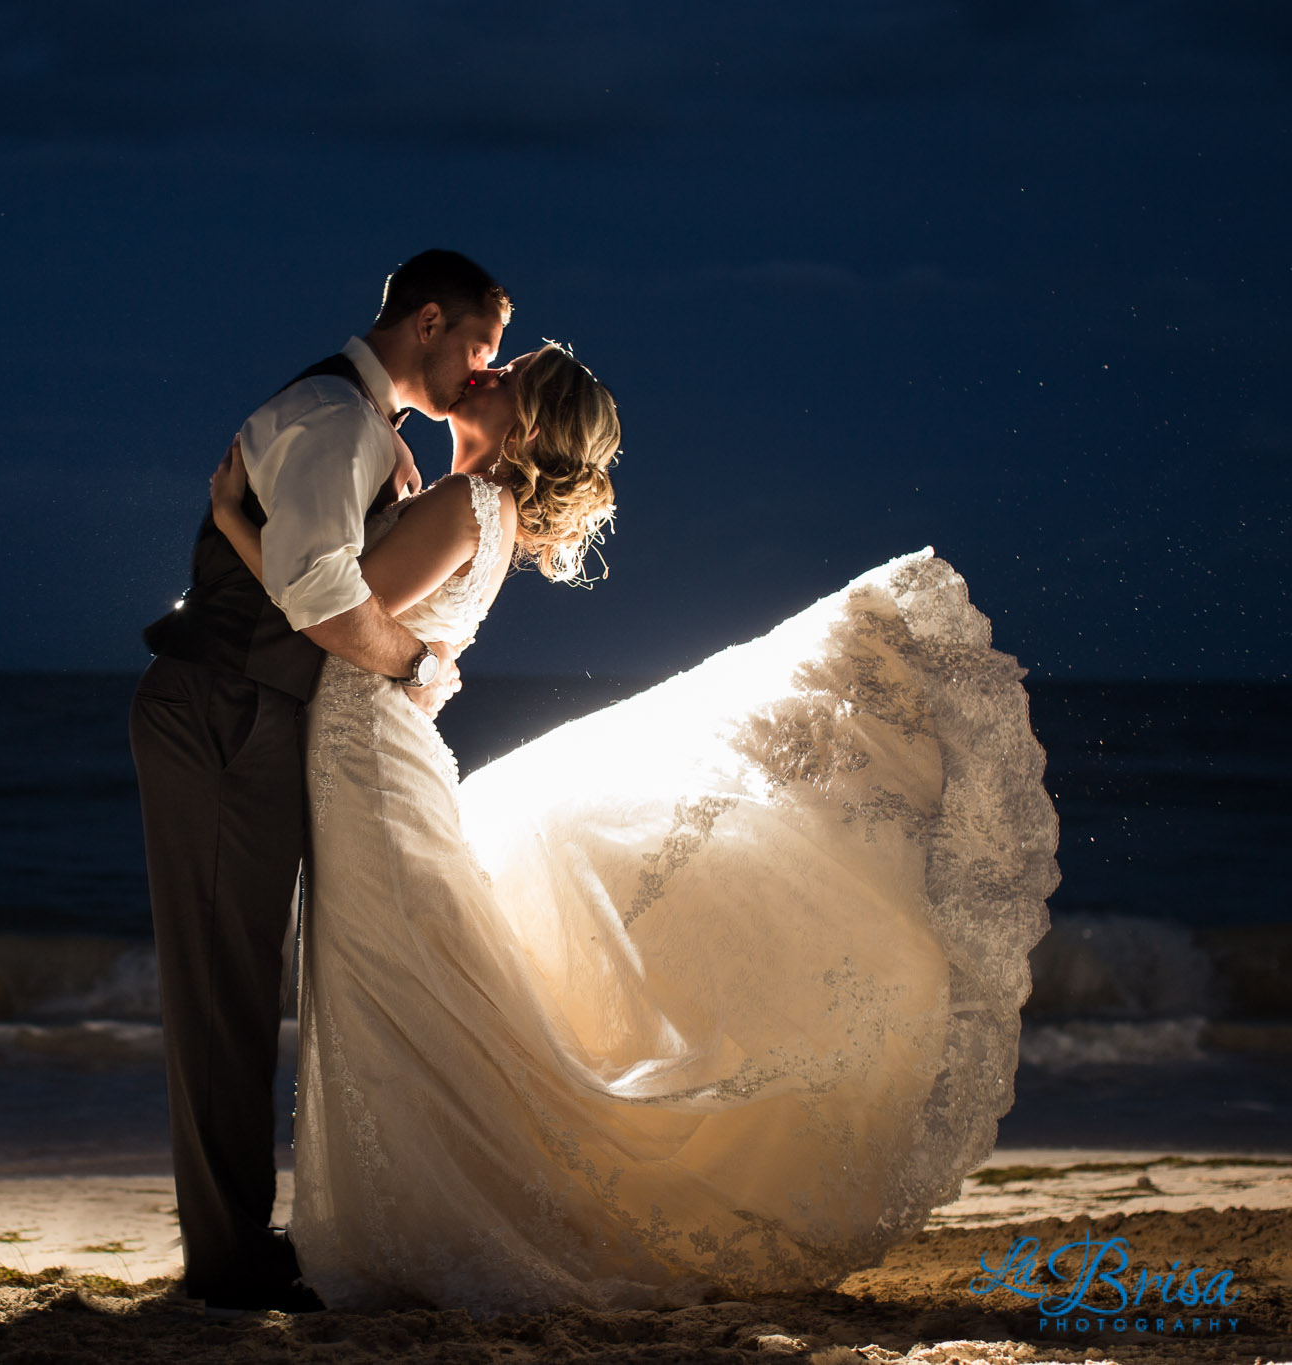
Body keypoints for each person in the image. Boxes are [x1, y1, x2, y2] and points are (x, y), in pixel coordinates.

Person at [209, 342, 1059, 1314]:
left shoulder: (462, 507)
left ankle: (422, 1223)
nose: (484, 374)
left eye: (508, 374)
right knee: (404, 989)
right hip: (377, 753)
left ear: (524, 425)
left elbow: (322, 609)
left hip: (368, 757)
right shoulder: (475, 508)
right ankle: (407, 1213)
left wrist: (235, 514)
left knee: (393, 985)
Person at [128, 250, 508, 1313]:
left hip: (259, 713)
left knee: (250, 982)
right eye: (477, 344)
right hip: (220, 708)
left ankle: (245, 1240)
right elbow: (319, 600)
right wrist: (423, 666)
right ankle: (228, 1262)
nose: (481, 368)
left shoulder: (369, 433)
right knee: (224, 990)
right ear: (427, 322)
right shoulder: (334, 419)